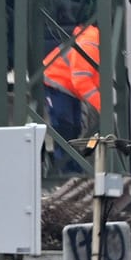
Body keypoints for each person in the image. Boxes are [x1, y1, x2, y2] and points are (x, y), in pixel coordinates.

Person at [43, 24, 100, 164]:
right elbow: (81, 81)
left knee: (74, 127)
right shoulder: (90, 45)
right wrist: (101, 105)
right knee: (65, 125)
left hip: (69, 87)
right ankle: (64, 167)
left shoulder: (95, 42)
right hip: (56, 82)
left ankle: (72, 165)